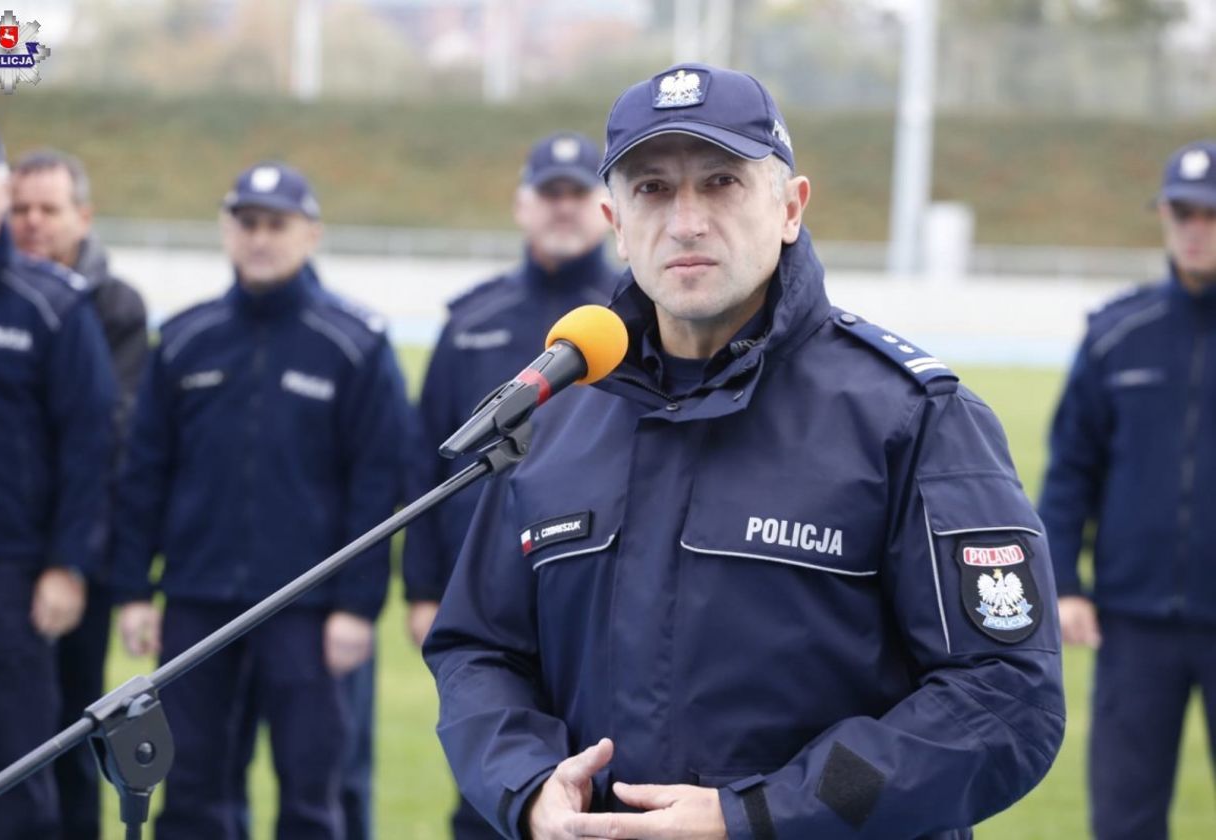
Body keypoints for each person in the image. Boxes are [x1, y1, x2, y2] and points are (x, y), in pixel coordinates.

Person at [423, 64, 1065, 840]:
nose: (686, 221)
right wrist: (525, 786)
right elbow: (478, 649)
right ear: (614, 223)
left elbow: (1001, 697)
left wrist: (765, 814)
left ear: (791, 208)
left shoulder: (912, 417)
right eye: (652, 189)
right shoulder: (557, 419)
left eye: (722, 182)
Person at [112, 161, 411, 840]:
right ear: (226, 230)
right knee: (190, 792)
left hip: (307, 611)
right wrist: (133, 590)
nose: (260, 238)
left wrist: (356, 607)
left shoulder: (353, 343)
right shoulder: (186, 339)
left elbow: (378, 482)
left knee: (313, 794)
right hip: (197, 601)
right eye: (247, 223)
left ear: (311, 233)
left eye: (277, 224)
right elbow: (145, 472)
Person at [402, 130, 617, 839]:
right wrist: (423, 590)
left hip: (591, 595)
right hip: (486, 600)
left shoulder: (630, 326)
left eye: (577, 194)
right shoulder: (473, 321)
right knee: (488, 785)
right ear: (523, 205)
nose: (563, 209)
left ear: (604, 207)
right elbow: (428, 461)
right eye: (549, 194)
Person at [1038, 139, 1216, 840]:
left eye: (1209, 213)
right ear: (1164, 219)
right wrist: (1065, 583)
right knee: (1124, 818)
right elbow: (1070, 470)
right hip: (1134, 622)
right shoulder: (1117, 335)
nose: (1196, 227)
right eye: (1182, 212)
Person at [0, 111, 116, 838]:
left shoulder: (51, 307)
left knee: (12, 775)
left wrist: (66, 566)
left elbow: (88, 446)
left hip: (6, 582)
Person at [9, 147, 149, 840]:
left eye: (48, 209)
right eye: (20, 210)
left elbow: (109, 428)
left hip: (78, 547)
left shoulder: (115, 307)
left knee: (70, 729)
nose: (32, 223)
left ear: (82, 217)